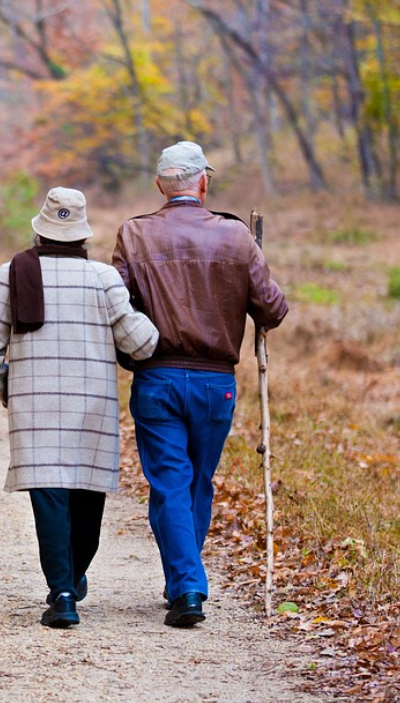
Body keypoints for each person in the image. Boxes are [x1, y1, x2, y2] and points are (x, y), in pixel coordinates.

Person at [112, 141, 289, 627]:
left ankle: (185, 584)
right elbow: (273, 309)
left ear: (159, 186)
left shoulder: (134, 234)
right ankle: (186, 583)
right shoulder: (235, 237)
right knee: (195, 482)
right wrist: (252, 262)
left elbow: (114, 303)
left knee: (170, 482)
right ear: (203, 183)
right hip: (216, 384)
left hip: (157, 376)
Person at [0, 187, 158, 628]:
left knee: (49, 497)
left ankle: (63, 592)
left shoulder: (13, 273)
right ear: (83, 237)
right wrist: (148, 315)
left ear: (39, 231)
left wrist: (9, 390)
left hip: (34, 409)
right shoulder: (104, 279)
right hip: (91, 406)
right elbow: (142, 344)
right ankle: (71, 579)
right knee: (86, 498)